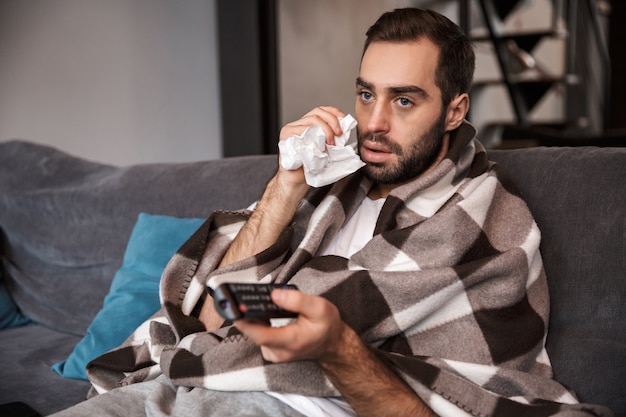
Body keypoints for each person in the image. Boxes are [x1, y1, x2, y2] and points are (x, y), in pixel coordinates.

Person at [53, 7, 610, 417]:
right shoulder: (326, 186)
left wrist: (338, 348)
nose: (375, 122)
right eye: (366, 94)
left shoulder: (494, 228)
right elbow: (205, 322)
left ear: (454, 110)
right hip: (196, 383)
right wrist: (287, 183)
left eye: (405, 100)